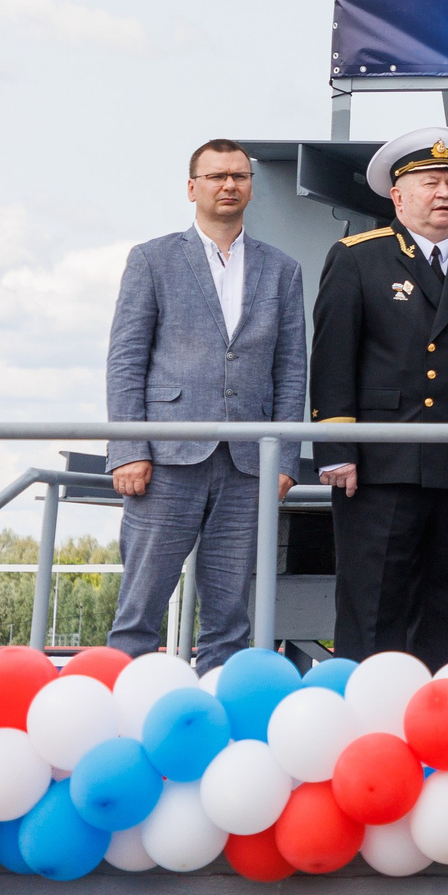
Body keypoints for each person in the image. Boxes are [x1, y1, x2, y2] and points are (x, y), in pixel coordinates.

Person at [309, 128, 448, 668]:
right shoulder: (359, 258)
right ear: (397, 196)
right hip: (382, 463)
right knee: (373, 602)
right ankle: (364, 714)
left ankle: (438, 715)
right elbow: (333, 358)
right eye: (431, 183)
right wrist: (337, 448)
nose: (445, 194)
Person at [103, 139, 304, 670]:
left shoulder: (282, 269)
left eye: (239, 176)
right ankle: (120, 720)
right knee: (140, 608)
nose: (229, 185)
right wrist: (128, 449)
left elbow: (290, 370)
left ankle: (219, 726)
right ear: (192, 187)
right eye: (216, 176)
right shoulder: (152, 259)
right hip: (165, 458)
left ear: (251, 188)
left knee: (230, 618)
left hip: (246, 466)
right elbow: (126, 359)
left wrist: (283, 460)